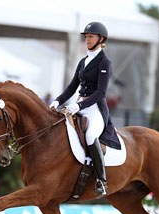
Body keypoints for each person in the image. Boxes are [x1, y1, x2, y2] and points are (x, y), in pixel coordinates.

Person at [49, 21, 121, 197]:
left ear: (101, 39)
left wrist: (78, 105)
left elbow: (100, 92)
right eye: (86, 37)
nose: (87, 40)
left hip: (95, 109)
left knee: (90, 136)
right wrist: (57, 101)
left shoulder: (105, 62)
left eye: (91, 36)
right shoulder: (83, 61)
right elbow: (72, 86)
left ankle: (101, 181)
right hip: (78, 106)